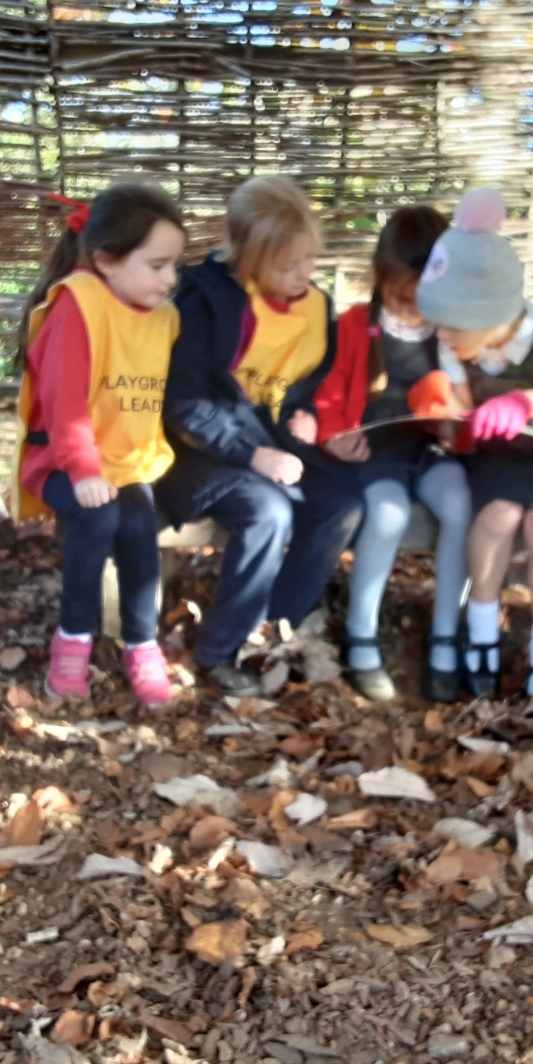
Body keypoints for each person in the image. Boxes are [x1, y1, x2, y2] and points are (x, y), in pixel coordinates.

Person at [159, 175, 363, 697]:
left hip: (276, 446)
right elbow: (185, 405)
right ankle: (219, 650)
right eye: (288, 265)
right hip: (202, 453)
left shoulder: (315, 306)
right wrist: (253, 455)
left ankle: (275, 625)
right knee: (268, 513)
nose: (304, 274)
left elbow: (311, 384)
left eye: (309, 259)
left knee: (342, 504)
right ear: (248, 256)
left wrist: (315, 420)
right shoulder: (204, 302)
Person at [412, 187, 533, 702]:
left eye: (451, 325)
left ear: (490, 313)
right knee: (495, 519)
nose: (442, 335)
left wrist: (522, 403)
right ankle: (482, 635)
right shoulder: (455, 348)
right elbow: (462, 410)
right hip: (499, 461)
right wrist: (444, 418)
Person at [17, 182, 185, 707]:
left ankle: (141, 644)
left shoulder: (164, 317)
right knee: (98, 517)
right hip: (61, 460)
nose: (170, 279)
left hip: (123, 464)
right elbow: (64, 401)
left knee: (138, 524)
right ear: (108, 260)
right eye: (157, 265)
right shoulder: (78, 304)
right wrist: (84, 469)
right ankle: (72, 641)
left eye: (174, 265)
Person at [313, 205, 472, 703]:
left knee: (460, 504)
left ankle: (445, 634)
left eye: (424, 299)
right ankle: (361, 634)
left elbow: (467, 401)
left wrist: (455, 425)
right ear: (381, 279)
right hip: (375, 453)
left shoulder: (452, 331)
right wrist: (333, 435)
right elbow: (330, 394)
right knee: (387, 513)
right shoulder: (355, 324)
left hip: (431, 450)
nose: (413, 310)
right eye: (403, 298)